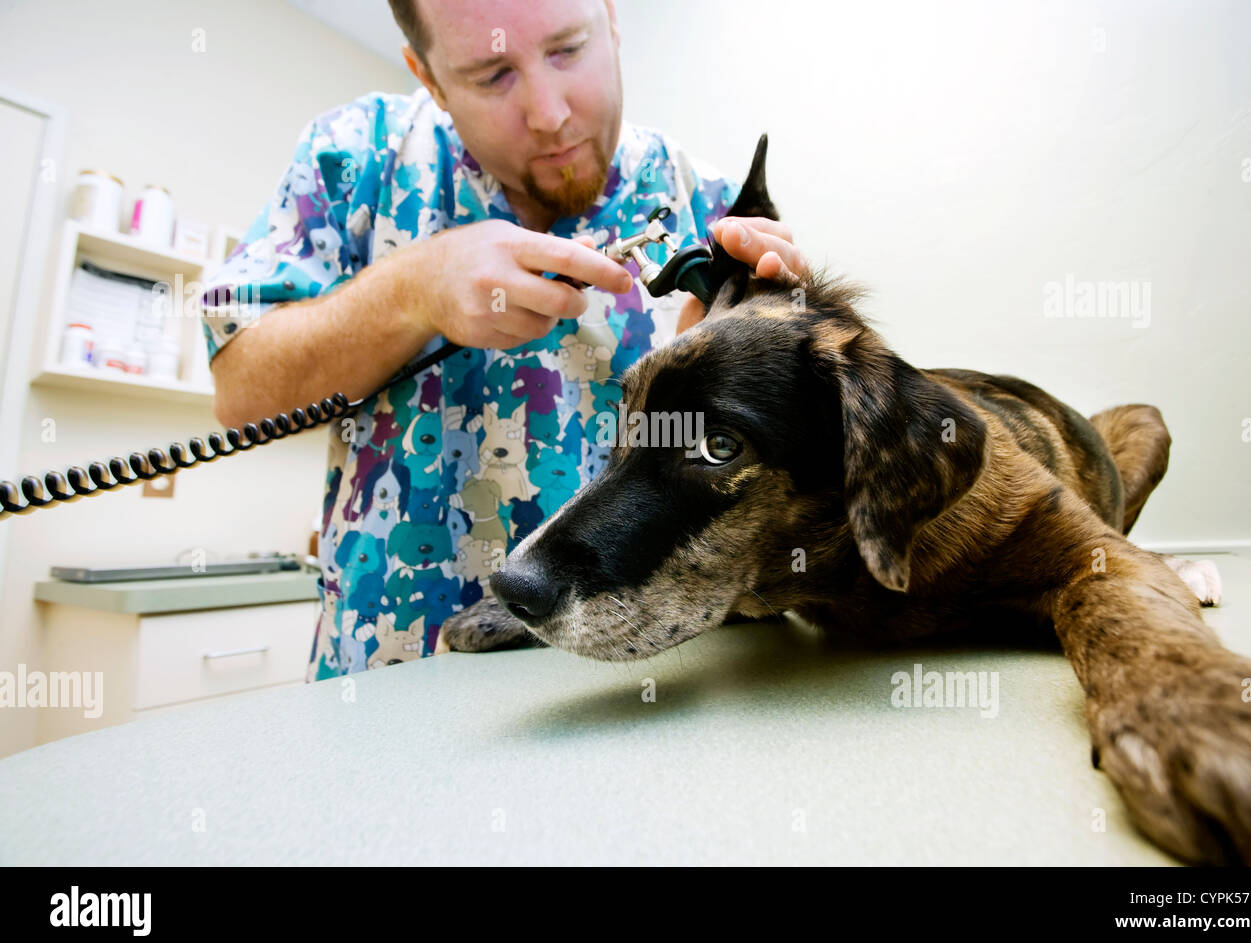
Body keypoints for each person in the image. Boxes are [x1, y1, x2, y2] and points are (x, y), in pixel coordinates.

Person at [200, 0, 810, 680]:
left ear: (611, 17)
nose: (549, 113)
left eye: (567, 50)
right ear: (427, 76)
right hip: (390, 686)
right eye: (493, 75)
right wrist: (412, 292)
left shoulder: (711, 205)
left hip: (650, 690)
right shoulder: (352, 159)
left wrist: (772, 345)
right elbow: (239, 395)